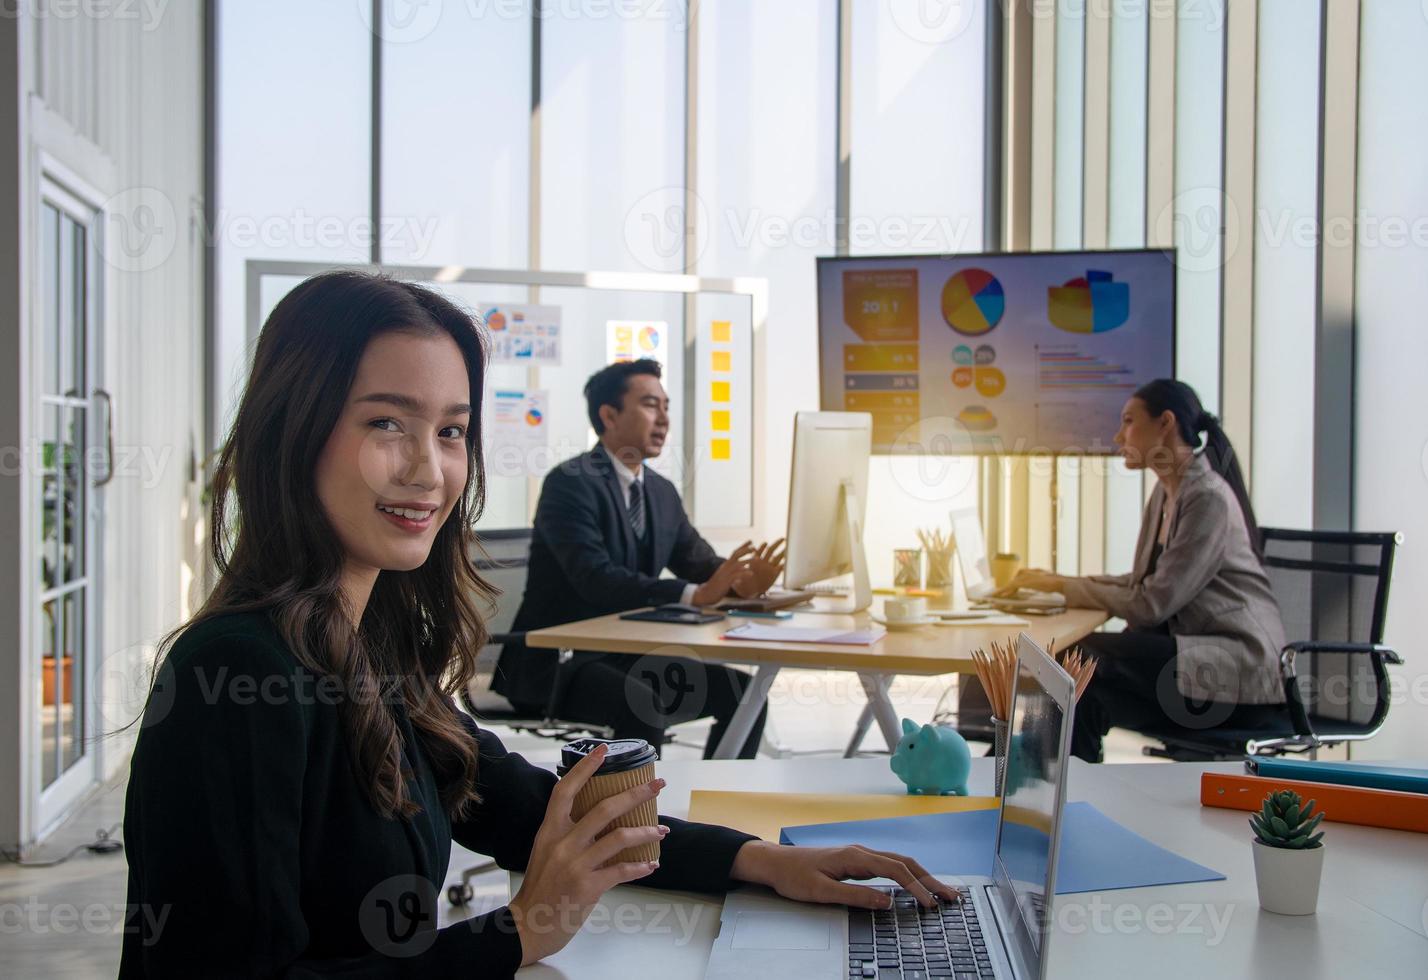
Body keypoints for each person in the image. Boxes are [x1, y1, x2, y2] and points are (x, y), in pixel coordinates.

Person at [118, 273, 958, 976]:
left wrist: (762, 861)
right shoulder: (231, 674)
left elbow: (525, 803)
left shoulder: (373, 643)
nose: (430, 469)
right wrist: (518, 930)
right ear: (292, 431)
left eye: (450, 431)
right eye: (386, 422)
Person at [492, 359, 784, 759]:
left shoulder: (660, 492)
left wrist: (742, 583)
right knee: (645, 704)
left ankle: (714, 801)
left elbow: (697, 562)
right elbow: (595, 578)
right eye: (650, 405)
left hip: (628, 656)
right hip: (561, 662)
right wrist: (697, 595)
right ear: (609, 415)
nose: (663, 418)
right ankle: (644, 818)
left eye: (666, 406)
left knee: (747, 695)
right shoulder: (571, 483)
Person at [998, 379, 1288, 762]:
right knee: (1087, 695)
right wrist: (1057, 583)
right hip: (1191, 659)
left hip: (1236, 672)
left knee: (1075, 659)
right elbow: (1141, 585)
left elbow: (1150, 605)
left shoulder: (1207, 498)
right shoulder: (1168, 493)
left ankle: (1016, 773)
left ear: (1165, 423)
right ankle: (1050, 793)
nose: (1119, 436)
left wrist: (1063, 588)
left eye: (1129, 421)